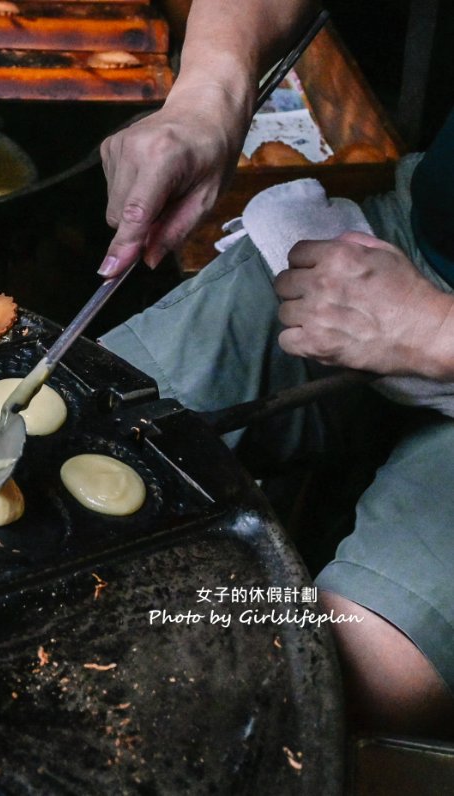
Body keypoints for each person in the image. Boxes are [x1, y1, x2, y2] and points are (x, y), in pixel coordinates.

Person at [96, 0, 454, 737]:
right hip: (422, 245)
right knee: (83, 417)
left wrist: (437, 335)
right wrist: (208, 95)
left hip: (435, 319)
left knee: (304, 660)